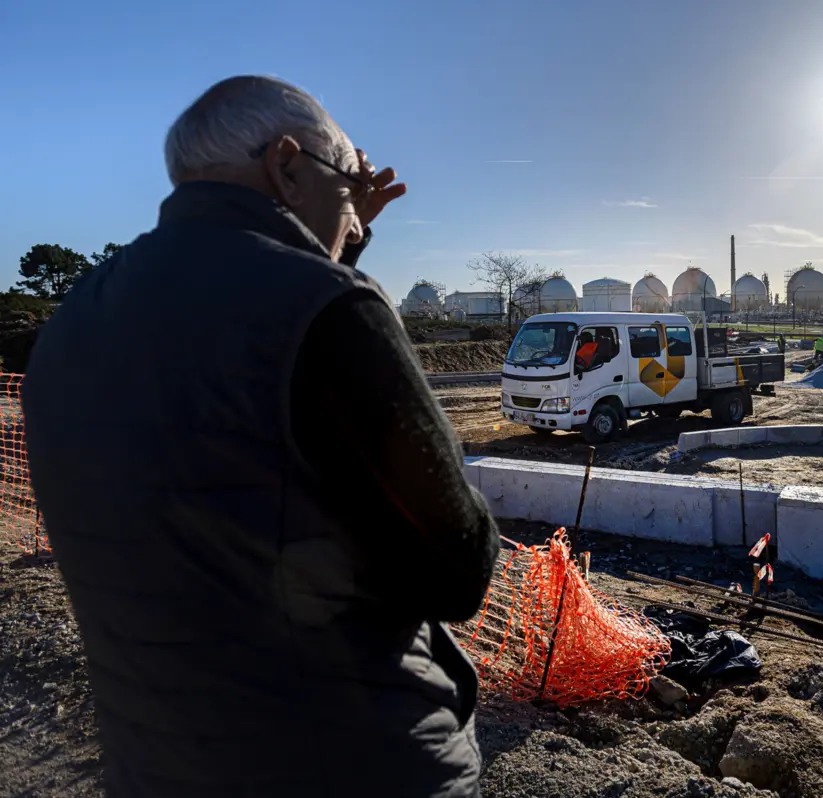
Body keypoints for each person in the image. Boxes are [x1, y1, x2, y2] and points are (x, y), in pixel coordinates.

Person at [21, 76, 499, 798]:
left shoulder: (75, 319)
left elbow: (240, 419)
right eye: (350, 184)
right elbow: (455, 569)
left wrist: (336, 230)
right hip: (348, 761)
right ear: (286, 163)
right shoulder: (329, 310)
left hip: (156, 758)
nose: (355, 210)